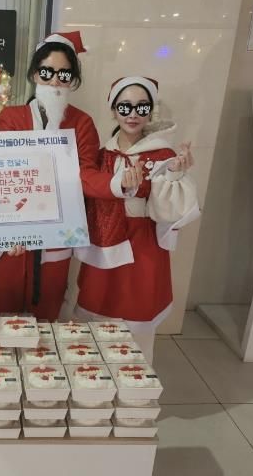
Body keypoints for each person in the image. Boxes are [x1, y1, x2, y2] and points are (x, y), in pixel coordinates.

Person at [0, 31, 142, 321]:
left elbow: (86, 174)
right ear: (35, 74)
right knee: (4, 311)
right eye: (47, 72)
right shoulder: (11, 117)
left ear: (72, 80)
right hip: (12, 231)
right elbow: (3, 176)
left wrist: (117, 183)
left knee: (48, 312)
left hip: (57, 232)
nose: (55, 81)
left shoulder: (82, 122)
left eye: (64, 74)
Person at [77, 76, 200, 362]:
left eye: (141, 107)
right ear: (113, 110)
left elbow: (170, 212)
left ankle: (136, 378)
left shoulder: (164, 155)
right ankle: (92, 375)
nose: (133, 114)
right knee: (99, 313)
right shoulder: (100, 155)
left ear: (150, 111)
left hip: (143, 245)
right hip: (104, 241)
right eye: (125, 106)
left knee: (138, 315)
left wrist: (174, 174)